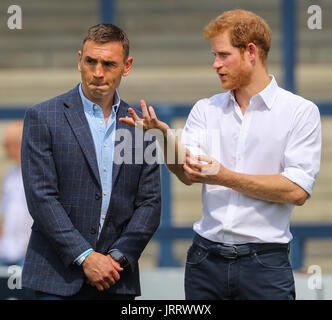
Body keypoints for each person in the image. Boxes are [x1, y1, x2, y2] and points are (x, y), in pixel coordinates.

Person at [120, 9, 321, 300]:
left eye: (223, 55)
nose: (216, 64)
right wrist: (164, 137)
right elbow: (186, 173)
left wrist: (225, 176)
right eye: (214, 55)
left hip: (265, 265)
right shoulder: (206, 108)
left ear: (251, 51)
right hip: (205, 261)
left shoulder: (300, 112)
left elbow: (297, 190)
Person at [21, 23, 161, 300]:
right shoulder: (43, 117)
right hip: (56, 280)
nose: (97, 73)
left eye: (109, 64)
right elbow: (41, 198)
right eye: (90, 61)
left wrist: (116, 258)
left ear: (127, 66)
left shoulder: (141, 127)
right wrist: (85, 257)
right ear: (79, 60)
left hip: (116, 279)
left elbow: (150, 204)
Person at [0, 121, 33, 267]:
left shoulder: (36, 173)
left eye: (7, 146)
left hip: (26, 253)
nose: (5, 150)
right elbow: (5, 213)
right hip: (6, 251)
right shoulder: (11, 174)